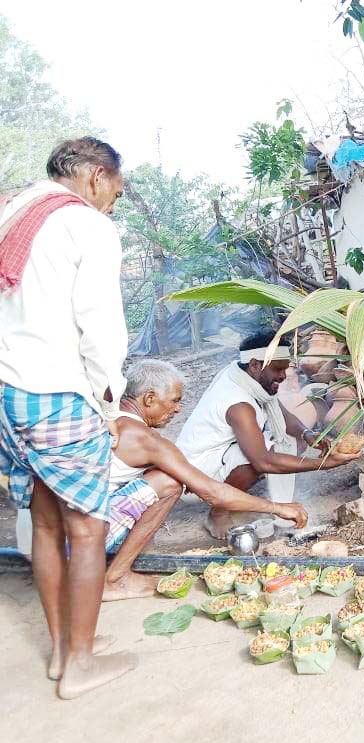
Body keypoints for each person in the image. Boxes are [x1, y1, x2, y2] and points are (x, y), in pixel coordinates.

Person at [0, 137, 136, 698]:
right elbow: (100, 328)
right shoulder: (87, 226)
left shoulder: (15, 209)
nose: (112, 204)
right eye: (115, 193)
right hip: (57, 392)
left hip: (8, 392)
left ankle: (62, 650)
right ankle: (79, 663)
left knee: (48, 522)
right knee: (88, 527)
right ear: (97, 177)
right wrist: (109, 404)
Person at [102, 359, 309, 600]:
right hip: (90, 533)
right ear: (149, 398)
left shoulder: (111, 416)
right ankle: (116, 579)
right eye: (175, 400)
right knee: (168, 483)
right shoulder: (146, 439)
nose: (178, 409)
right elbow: (213, 492)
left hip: (70, 528)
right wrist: (277, 508)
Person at [175, 329, 359, 539]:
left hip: (211, 460)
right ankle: (218, 512)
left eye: (286, 369)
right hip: (193, 479)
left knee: (283, 440)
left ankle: (234, 498)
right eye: (277, 369)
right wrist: (324, 464)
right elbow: (264, 462)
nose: (283, 376)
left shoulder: (243, 374)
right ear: (255, 365)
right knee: (254, 457)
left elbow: (279, 410)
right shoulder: (238, 404)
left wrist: (307, 434)